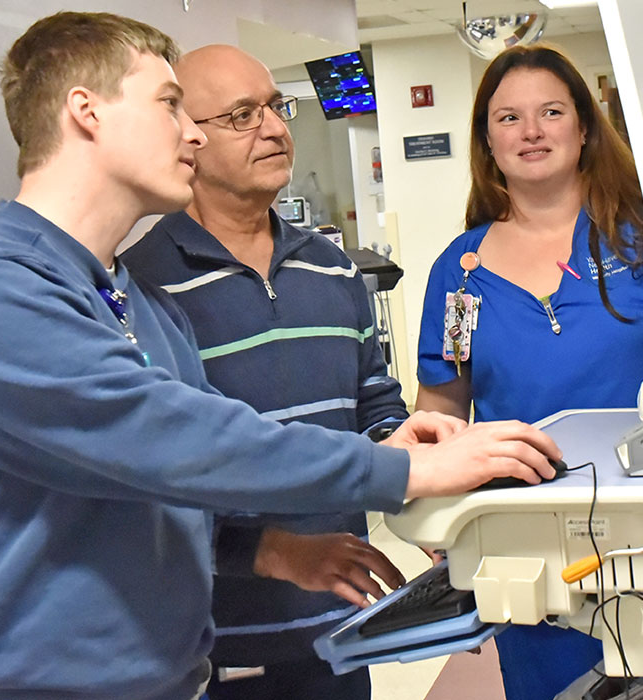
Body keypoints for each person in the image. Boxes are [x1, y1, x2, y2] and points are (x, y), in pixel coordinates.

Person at [0, 13, 562, 700]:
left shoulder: (132, 301)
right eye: (167, 104)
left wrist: (276, 547)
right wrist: (405, 467)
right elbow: (175, 439)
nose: (191, 131)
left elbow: (171, 491)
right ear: (85, 111)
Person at [414, 45, 643, 700]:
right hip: (532, 554)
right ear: (487, 141)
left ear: (582, 127)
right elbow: (440, 405)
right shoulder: (458, 272)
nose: (532, 131)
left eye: (550, 111)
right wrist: (440, 518)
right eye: (509, 118)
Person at [121, 44, 406, 699]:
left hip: (343, 632)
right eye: (243, 115)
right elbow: (150, 488)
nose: (276, 128)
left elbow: (377, 408)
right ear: (185, 136)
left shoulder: (334, 272)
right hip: (219, 654)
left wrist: (427, 489)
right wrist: (266, 549)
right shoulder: (142, 289)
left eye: (278, 107)